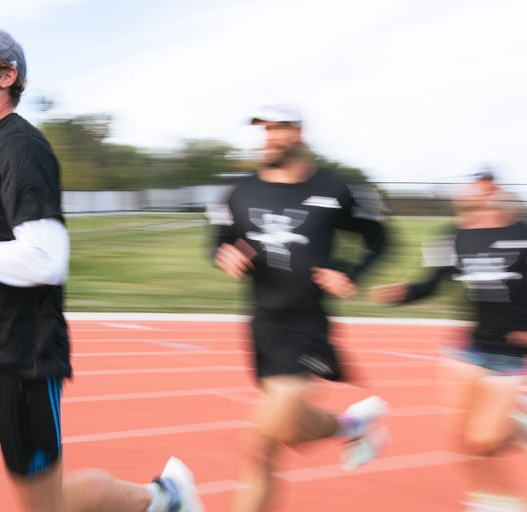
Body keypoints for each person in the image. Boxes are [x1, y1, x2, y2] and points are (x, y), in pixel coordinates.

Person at [0, 26, 203, 512]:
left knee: (46, 506)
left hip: (18, 361)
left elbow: (46, 257)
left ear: (6, 75)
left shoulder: (20, 148)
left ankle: (163, 498)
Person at [209, 105, 390, 512]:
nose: (269, 137)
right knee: (282, 435)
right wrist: (223, 254)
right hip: (262, 326)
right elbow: (218, 239)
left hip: (306, 325)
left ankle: (353, 425)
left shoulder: (336, 190)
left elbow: (379, 238)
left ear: (298, 134)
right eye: (264, 130)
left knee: (258, 441)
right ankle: (353, 425)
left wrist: (351, 272)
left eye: (278, 129)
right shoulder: (240, 191)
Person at [370, 179, 527, 511]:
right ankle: (493, 501)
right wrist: (404, 293)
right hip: (470, 348)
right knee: (461, 435)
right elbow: (434, 283)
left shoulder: (523, 235)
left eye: (485, 187)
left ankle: (516, 425)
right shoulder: (453, 235)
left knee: (485, 439)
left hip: (510, 352)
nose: (474, 192)